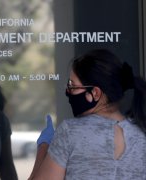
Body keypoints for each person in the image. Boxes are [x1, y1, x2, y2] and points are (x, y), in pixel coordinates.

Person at [29, 49, 146, 180]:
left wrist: (43, 147)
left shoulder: (70, 132)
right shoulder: (141, 135)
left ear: (95, 93)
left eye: (72, 85)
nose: (68, 91)